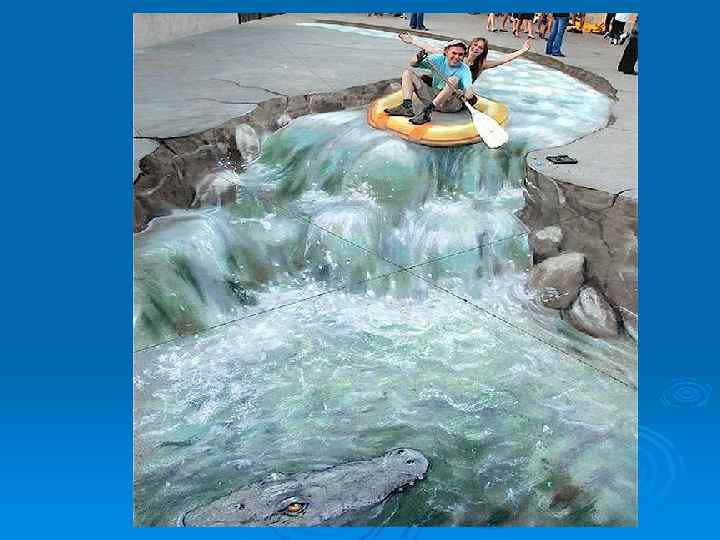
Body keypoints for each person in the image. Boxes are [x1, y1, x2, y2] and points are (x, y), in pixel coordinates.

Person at [384, 39, 476, 125]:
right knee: (407, 73)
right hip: (433, 97)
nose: (457, 57)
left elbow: (469, 92)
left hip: (450, 104)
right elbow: (413, 64)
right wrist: (417, 58)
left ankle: (427, 112)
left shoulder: (464, 69)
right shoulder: (438, 59)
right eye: (454, 53)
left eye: (460, 55)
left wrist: (465, 94)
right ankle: (406, 107)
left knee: (453, 80)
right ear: (446, 52)